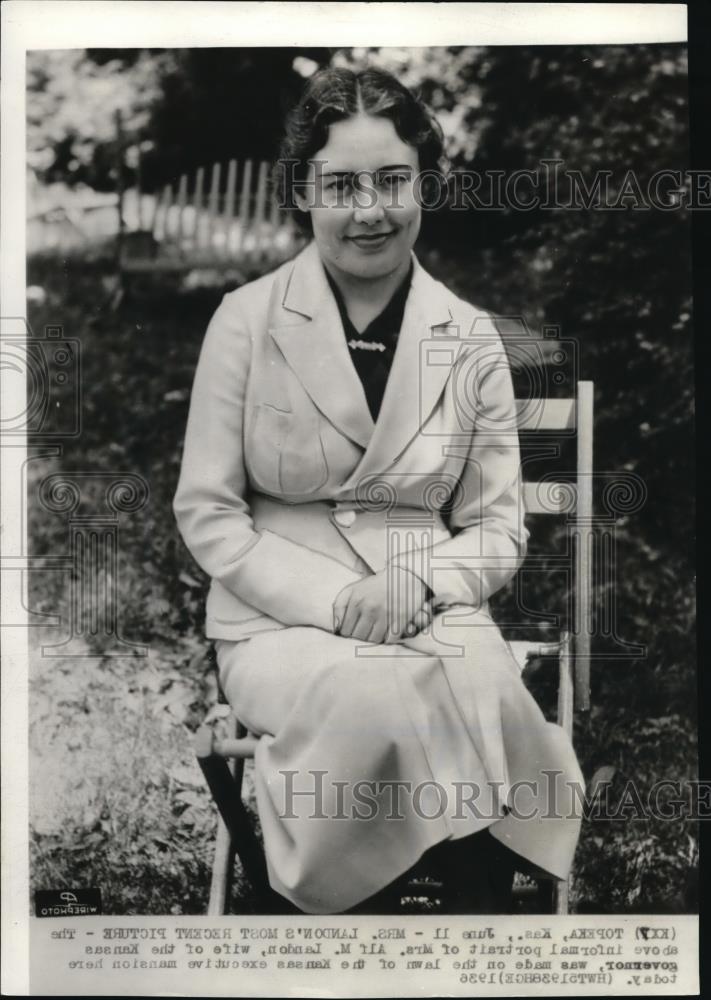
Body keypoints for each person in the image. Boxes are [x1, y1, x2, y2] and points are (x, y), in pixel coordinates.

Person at [173, 65, 583, 915]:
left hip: (425, 605)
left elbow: (497, 527)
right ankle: (345, 916)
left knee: (481, 683)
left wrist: (419, 582)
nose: (370, 209)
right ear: (303, 190)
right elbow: (207, 512)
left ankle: (474, 928)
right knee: (375, 692)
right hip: (278, 624)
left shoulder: (467, 337)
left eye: (393, 179)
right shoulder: (246, 321)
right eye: (342, 184)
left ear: (424, 183)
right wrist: (339, 599)